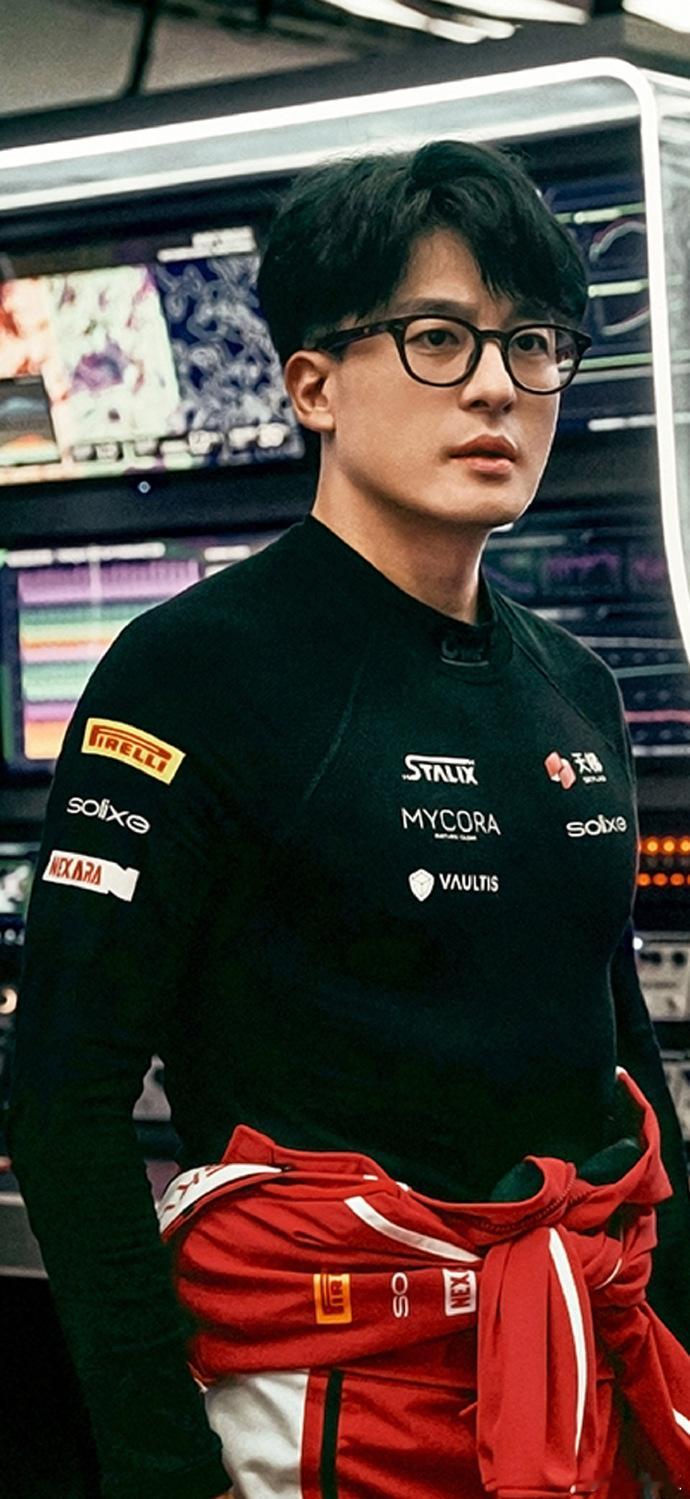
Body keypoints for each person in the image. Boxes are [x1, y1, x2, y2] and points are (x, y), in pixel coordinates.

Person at [8, 138, 690, 1499]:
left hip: (573, 1371)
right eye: (437, 339)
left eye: (533, 345)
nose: (496, 387)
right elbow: (64, 1097)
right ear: (312, 384)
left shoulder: (575, 688)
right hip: (320, 1397)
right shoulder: (195, 673)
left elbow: (610, 1047)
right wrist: (166, 1467)